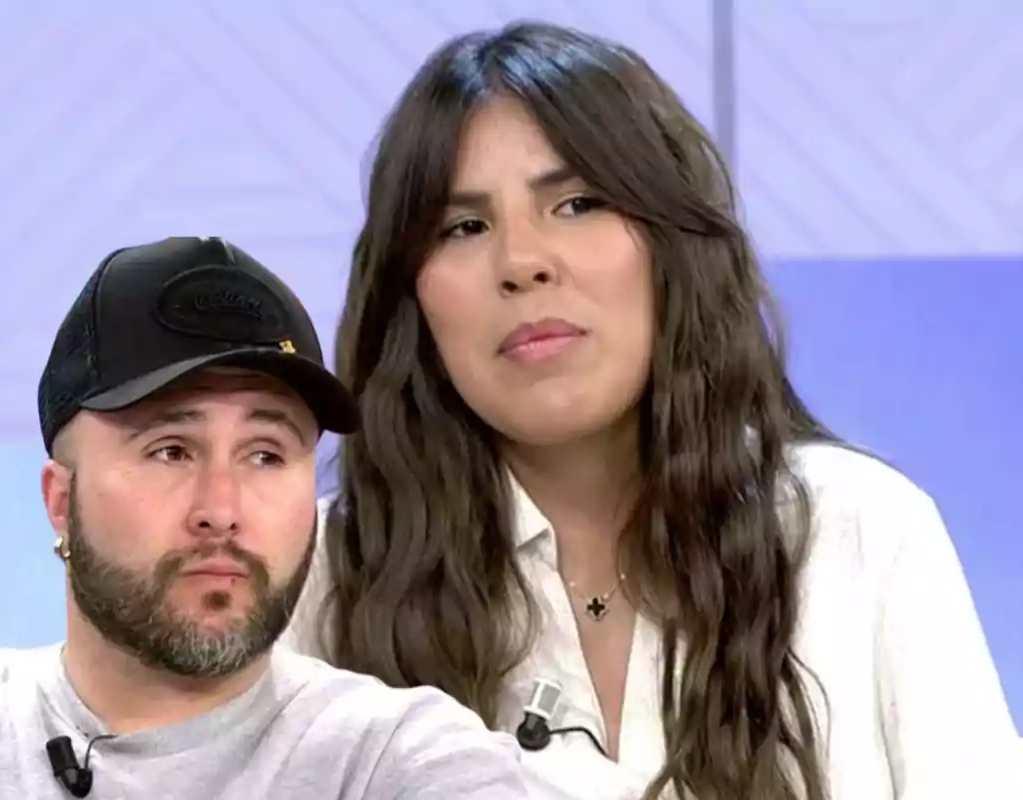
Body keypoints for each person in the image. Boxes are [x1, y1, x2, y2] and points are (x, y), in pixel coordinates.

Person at [283, 22, 1022, 800]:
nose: (523, 261)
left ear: (672, 243)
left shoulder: (855, 531)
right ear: (411, 297)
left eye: (575, 203)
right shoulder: (327, 579)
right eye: (464, 227)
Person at [0, 237, 531, 800]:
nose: (221, 510)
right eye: (170, 450)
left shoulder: (400, 762)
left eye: (265, 454)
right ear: (60, 502)